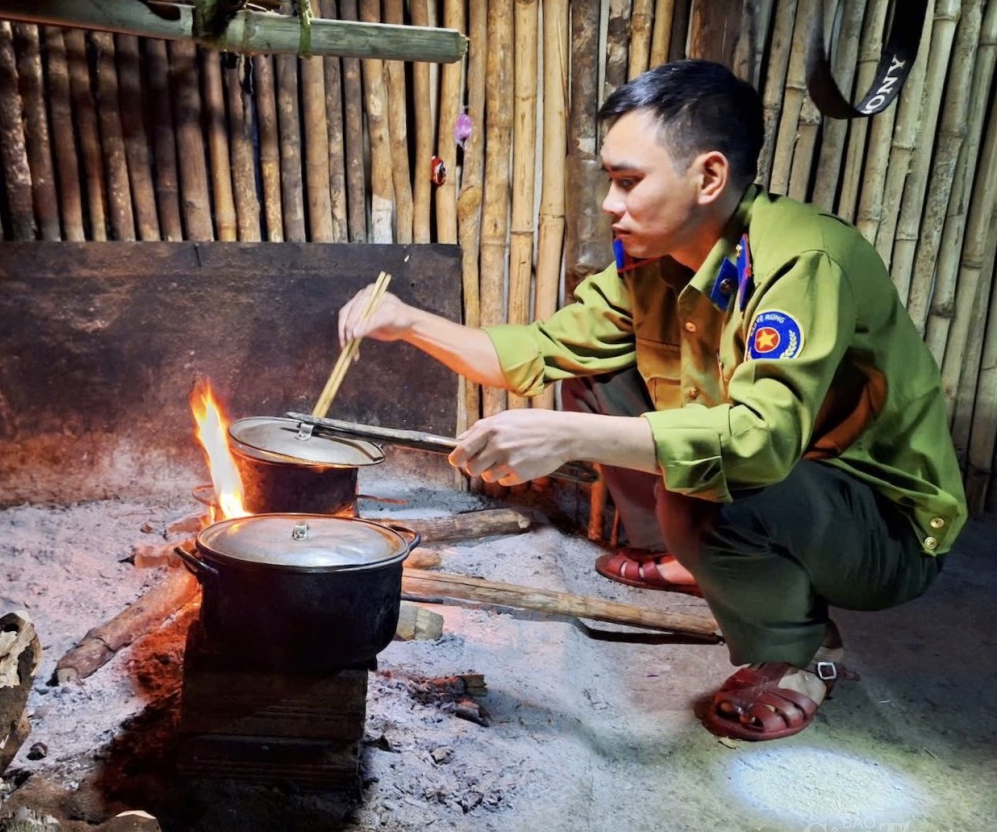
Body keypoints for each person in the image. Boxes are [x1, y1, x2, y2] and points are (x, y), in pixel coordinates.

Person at [337, 59, 967, 741]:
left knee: (718, 485)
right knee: (597, 375)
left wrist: (569, 437)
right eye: (610, 179)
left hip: (884, 528)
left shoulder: (801, 262)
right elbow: (543, 350)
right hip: (798, 485)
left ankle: (801, 653)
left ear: (709, 177)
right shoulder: (656, 263)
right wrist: (407, 321)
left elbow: (760, 441)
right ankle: (688, 555)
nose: (610, 203)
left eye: (628, 181)